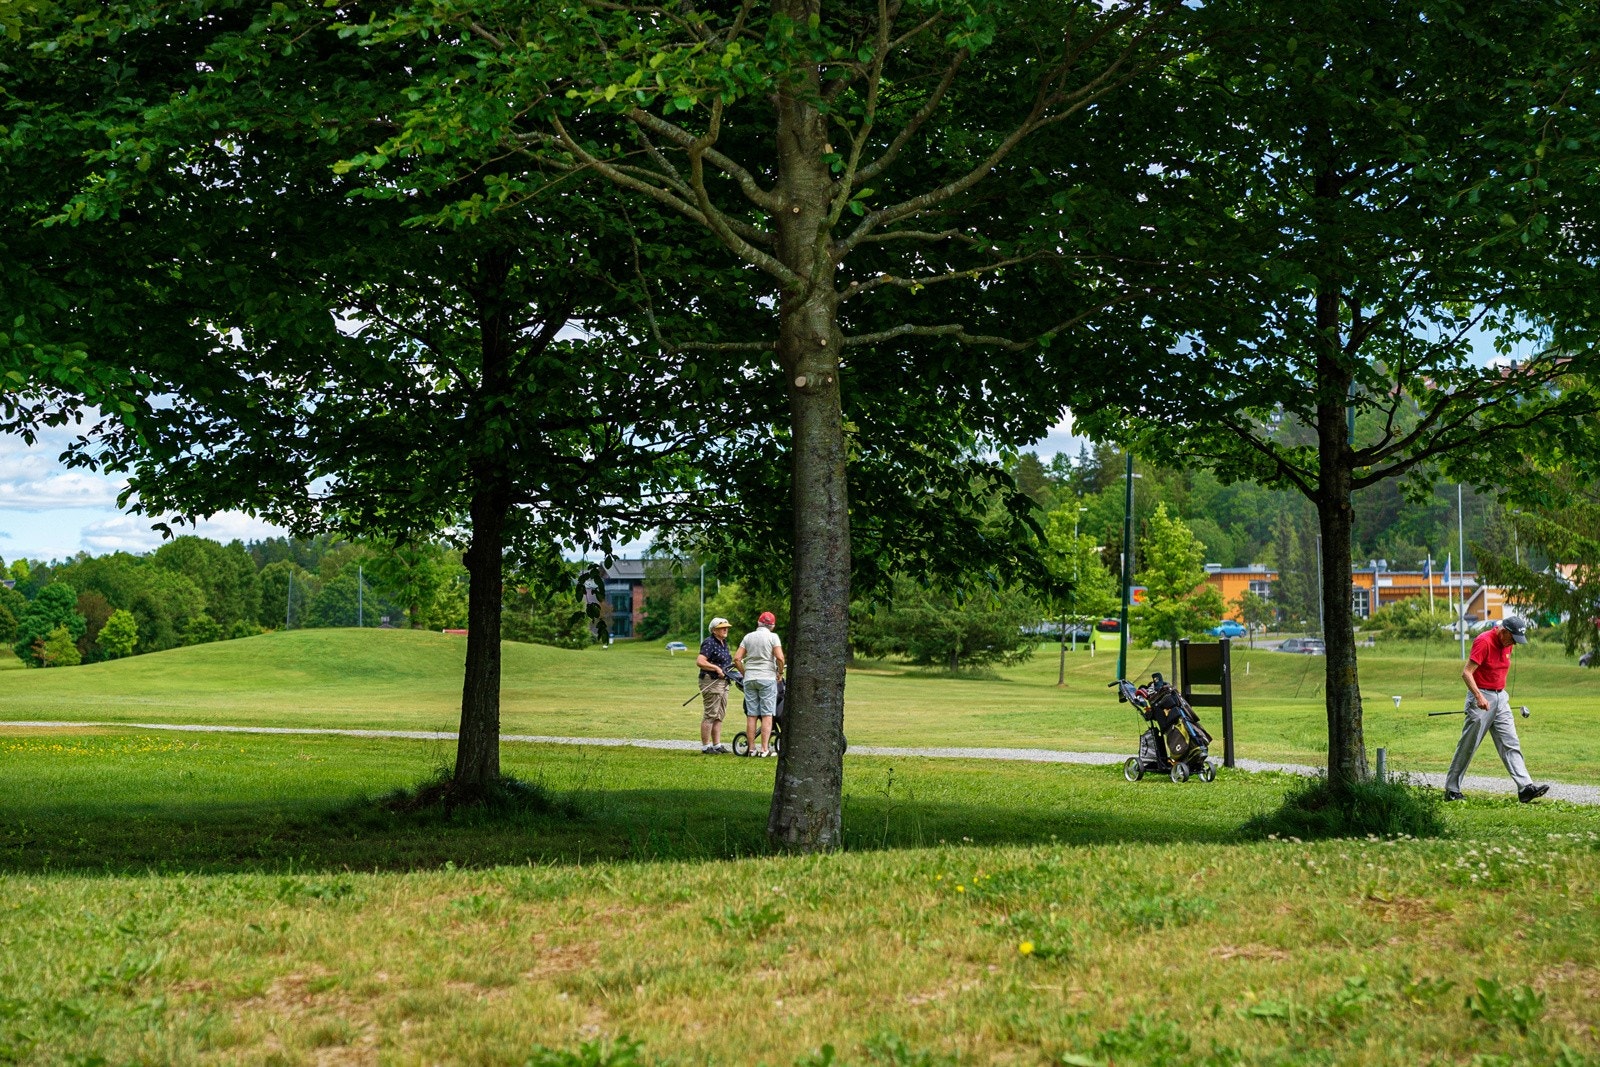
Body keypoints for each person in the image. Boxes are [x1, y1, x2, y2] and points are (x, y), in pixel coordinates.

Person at [1444, 616, 1549, 803]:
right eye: (1513, 639)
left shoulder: (1508, 643)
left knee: (1511, 742)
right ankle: (1452, 790)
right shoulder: (1484, 641)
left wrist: (1499, 698)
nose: (1514, 644)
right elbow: (1466, 673)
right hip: (1481, 697)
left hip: (1501, 697)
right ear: (1503, 631)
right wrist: (1479, 697)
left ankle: (1525, 788)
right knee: (1468, 745)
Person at [734, 611, 786, 757]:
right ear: (772, 625)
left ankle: (751, 749)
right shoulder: (773, 637)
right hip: (767, 678)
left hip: (750, 678)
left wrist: (745, 673)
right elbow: (780, 658)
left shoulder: (748, 637)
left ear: (758, 623)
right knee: (767, 714)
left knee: (752, 715)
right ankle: (764, 749)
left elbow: (737, 659)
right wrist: (780, 672)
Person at [695, 617, 735, 754]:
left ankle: (717, 745)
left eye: (726, 627)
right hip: (711, 681)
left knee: (719, 714)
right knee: (711, 714)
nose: (725, 629)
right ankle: (706, 746)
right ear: (714, 630)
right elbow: (700, 661)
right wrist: (717, 669)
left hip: (723, 682)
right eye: (722, 628)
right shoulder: (709, 642)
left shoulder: (724, 643)